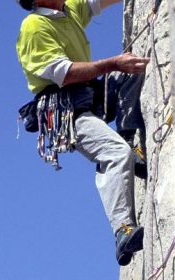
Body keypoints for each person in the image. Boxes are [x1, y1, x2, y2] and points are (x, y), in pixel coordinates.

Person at [16, 0, 150, 266]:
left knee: (130, 70)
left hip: (89, 96)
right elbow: (63, 74)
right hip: (65, 111)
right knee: (114, 154)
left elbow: (96, 1)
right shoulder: (34, 26)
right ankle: (123, 230)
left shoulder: (67, 9)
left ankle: (130, 139)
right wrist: (111, 64)